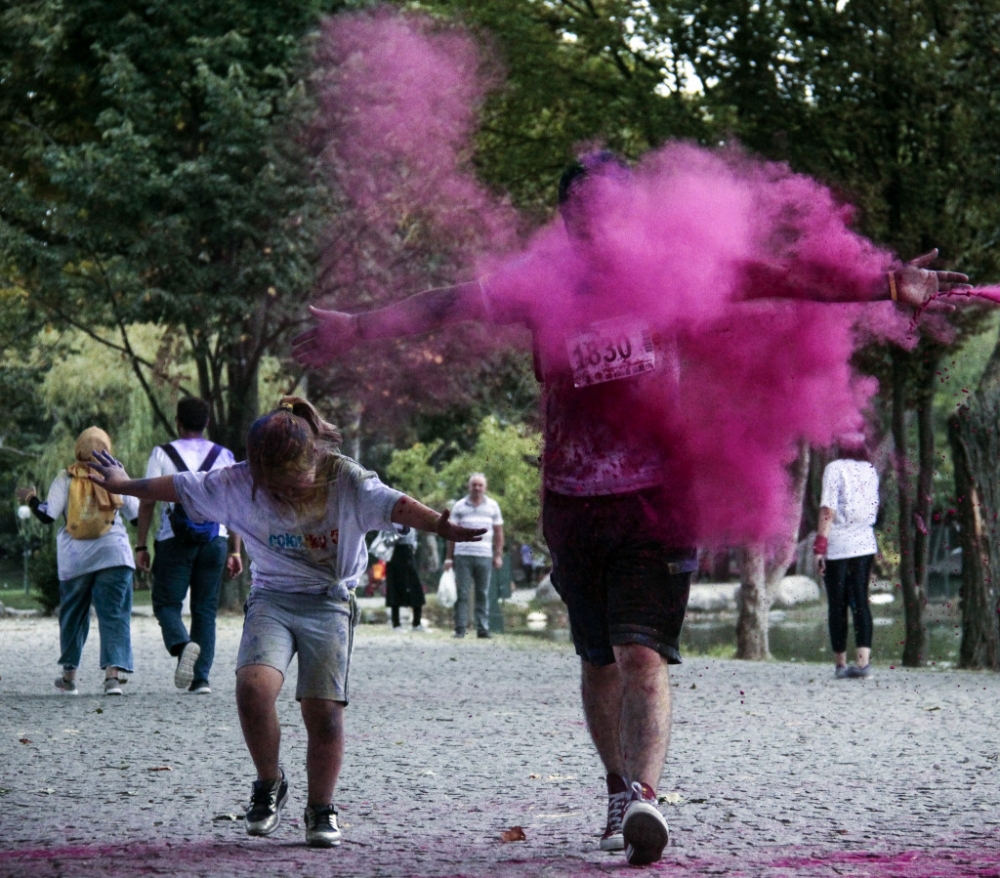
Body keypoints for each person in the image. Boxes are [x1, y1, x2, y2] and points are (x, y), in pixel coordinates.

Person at [290, 152, 970, 865]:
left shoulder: (675, 269)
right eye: (586, 212)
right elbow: (446, 303)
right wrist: (358, 328)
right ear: (567, 219)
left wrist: (888, 283)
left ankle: (645, 795)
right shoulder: (539, 284)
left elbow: (779, 277)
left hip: (657, 500)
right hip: (574, 503)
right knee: (597, 660)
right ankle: (617, 788)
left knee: (641, 652)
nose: (602, 225)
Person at [86, 396, 485, 848]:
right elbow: (179, 486)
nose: (290, 494)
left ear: (315, 457)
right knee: (253, 689)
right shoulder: (236, 482)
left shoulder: (345, 478)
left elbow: (395, 505)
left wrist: (441, 526)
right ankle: (269, 782)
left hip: (329, 601)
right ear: (257, 473)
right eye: (279, 488)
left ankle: (320, 807)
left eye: (298, 484)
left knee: (325, 714)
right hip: (272, 597)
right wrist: (126, 484)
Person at [16, 427, 139, 696]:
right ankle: (113, 679)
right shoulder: (116, 471)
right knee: (115, 614)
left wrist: (30, 498)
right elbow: (137, 515)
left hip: (74, 559)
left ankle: (69, 677)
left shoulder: (66, 476)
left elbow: (49, 515)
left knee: (73, 615)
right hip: (114, 555)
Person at [134, 398, 243, 695]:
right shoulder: (224, 456)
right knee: (205, 610)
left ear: (178, 422)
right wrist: (235, 549)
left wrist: (141, 544)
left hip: (174, 540)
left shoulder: (162, 454)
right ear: (206, 423)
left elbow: (146, 500)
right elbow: (235, 506)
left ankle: (183, 646)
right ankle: (201, 680)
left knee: (167, 604)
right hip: (215, 539)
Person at [813, 435, 879, 679]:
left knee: (837, 604)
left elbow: (828, 509)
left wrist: (820, 547)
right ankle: (863, 664)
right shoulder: (870, 470)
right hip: (865, 543)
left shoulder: (835, 468)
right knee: (861, 602)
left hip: (838, 545)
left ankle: (840, 664)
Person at [444, 473, 504, 639]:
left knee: (482, 593)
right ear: (469, 487)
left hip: (484, 555)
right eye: (474, 485)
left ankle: (483, 629)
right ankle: (460, 628)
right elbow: (451, 533)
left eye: (480, 485)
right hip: (463, 555)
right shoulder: (459, 506)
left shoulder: (493, 506)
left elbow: (499, 533)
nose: (477, 488)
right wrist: (449, 558)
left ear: (485, 487)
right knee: (462, 593)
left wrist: (498, 555)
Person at [383, 525, 426, 630]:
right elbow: (388, 539)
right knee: (396, 589)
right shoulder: (395, 522)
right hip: (397, 554)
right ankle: (396, 623)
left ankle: (417, 623)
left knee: (416, 589)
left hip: (409, 554)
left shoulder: (413, 522)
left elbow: (414, 538)